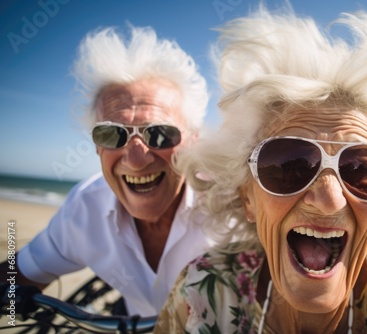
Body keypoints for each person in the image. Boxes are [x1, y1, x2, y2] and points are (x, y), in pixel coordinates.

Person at [154, 7, 367, 334]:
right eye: (289, 165)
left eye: (359, 170)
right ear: (247, 198)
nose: (330, 200)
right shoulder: (201, 291)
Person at [0, 25, 212, 317]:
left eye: (160, 134)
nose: (136, 160)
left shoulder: (234, 205)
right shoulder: (86, 207)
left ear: (193, 140)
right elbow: (19, 272)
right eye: (112, 135)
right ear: (97, 146)